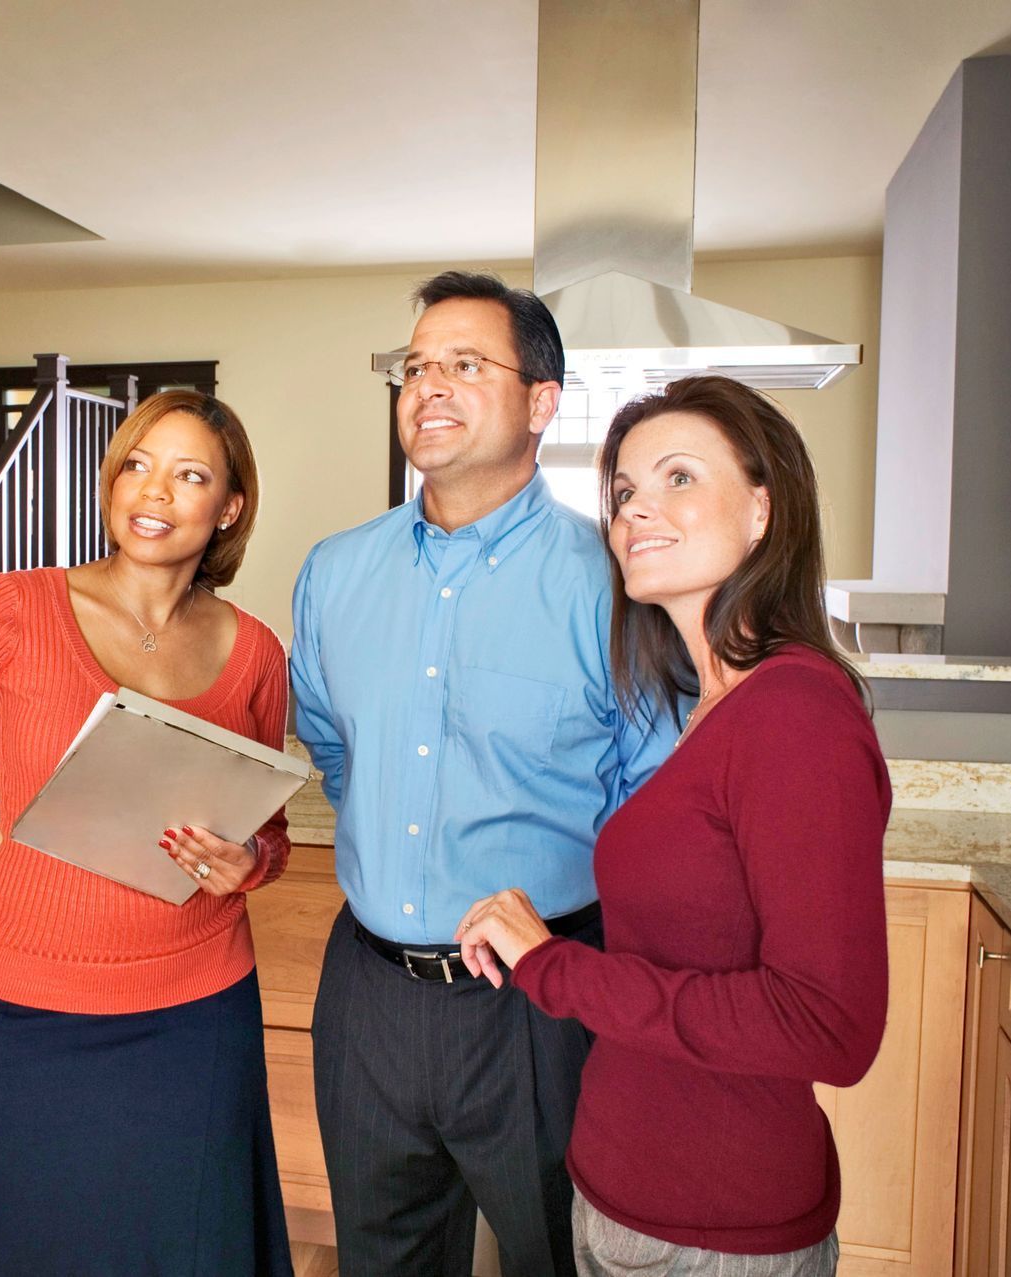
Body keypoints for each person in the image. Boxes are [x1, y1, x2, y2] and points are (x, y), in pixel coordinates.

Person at [0, 389, 295, 1276]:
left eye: (190, 475)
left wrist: (250, 860)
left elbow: (269, 830)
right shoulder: (17, 607)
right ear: (112, 483)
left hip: (197, 1012)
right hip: (23, 1015)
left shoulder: (257, 650)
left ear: (227, 507)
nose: (154, 493)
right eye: (139, 467)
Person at [456, 374, 891, 1275]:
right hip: (630, 1193)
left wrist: (556, 966)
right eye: (622, 493)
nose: (635, 511)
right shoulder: (706, 706)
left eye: (679, 478)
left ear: (763, 510)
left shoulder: (794, 712)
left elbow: (829, 1025)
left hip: (714, 1229)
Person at [290, 271, 675, 1277]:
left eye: (466, 363)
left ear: (543, 400)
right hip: (368, 995)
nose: (430, 385)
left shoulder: (618, 583)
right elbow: (333, 745)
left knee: (564, 1255)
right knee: (384, 1261)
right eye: (416, 366)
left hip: (542, 1004)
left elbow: (654, 804)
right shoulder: (336, 571)